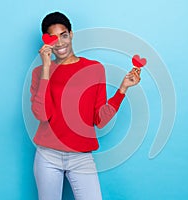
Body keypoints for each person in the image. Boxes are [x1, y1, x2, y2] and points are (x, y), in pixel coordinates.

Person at [30, 11, 141, 200]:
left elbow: (100, 120)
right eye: (53, 38)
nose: (60, 42)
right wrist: (47, 68)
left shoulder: (94, 69)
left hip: (81, 158)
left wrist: (122, 89)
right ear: (46, 42)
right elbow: (42, 114)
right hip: (48, 157)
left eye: (64, 35)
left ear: (71, 34)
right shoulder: (39, 72)